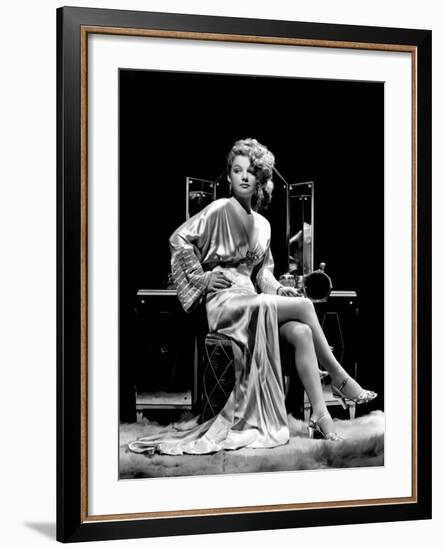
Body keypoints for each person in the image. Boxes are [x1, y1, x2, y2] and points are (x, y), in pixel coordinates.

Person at [128, 138, 376, 456]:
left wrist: (277, 290)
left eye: (251, 171)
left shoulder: (263, 224)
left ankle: (321, 416)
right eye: (237, 170)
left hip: (252, 301)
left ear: (259, 178)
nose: (244, 177)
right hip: (225, 304)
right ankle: (341, 380)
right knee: (303, 305)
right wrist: (203, 279)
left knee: (301, 331)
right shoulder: (217, 209)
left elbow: (262, 274)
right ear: (229, 177)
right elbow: (178, 239)